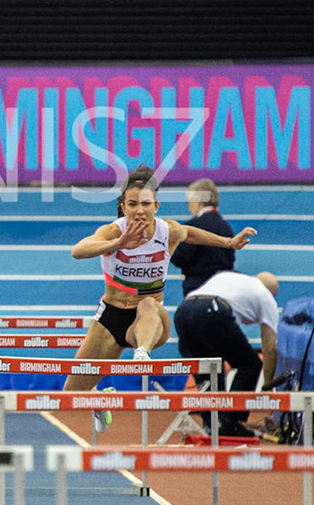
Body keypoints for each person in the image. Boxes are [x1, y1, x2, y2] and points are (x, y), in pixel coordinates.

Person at [66, 166, 255, 435]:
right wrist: (119, 244)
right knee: (71, 394)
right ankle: (101, 399)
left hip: (150, 319)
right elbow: (78, 251)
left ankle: (141, 352)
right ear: (123, 206)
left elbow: (192, 234)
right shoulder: (112, 231)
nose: (139, 210)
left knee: (146, 304)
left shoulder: (168, 232)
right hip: (112, 317)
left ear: (156, 205)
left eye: (145, 204)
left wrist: (229, 242)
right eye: (132, 204)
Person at [174, 270, 280, 437]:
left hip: (183, 311)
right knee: (250, 365)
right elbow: (270, 348)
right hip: (212, 311)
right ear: (273, 294)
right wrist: (268, 386)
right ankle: (230, 422)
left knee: (209, 369)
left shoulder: (230, 278)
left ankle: (212, 425)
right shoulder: (266, 297)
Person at [170, 178, 237, 295]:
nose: (189, 207)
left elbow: (180, 258)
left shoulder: (193, 227)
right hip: (225, 286)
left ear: (197, 201)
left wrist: (169, 244)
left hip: (198, 288)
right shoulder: (225, 226)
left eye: (189, 202)